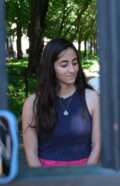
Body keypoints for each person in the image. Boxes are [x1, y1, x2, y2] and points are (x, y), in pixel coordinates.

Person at [22, 38, 101, 167]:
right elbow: (31, 153)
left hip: (84, 174)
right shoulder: (32, 103)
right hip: (46, 176)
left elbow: (97, 146)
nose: (72, 69)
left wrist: (87, 176)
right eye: (64, 65)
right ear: (50, 67)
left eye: (75, 63)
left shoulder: (92, 97)